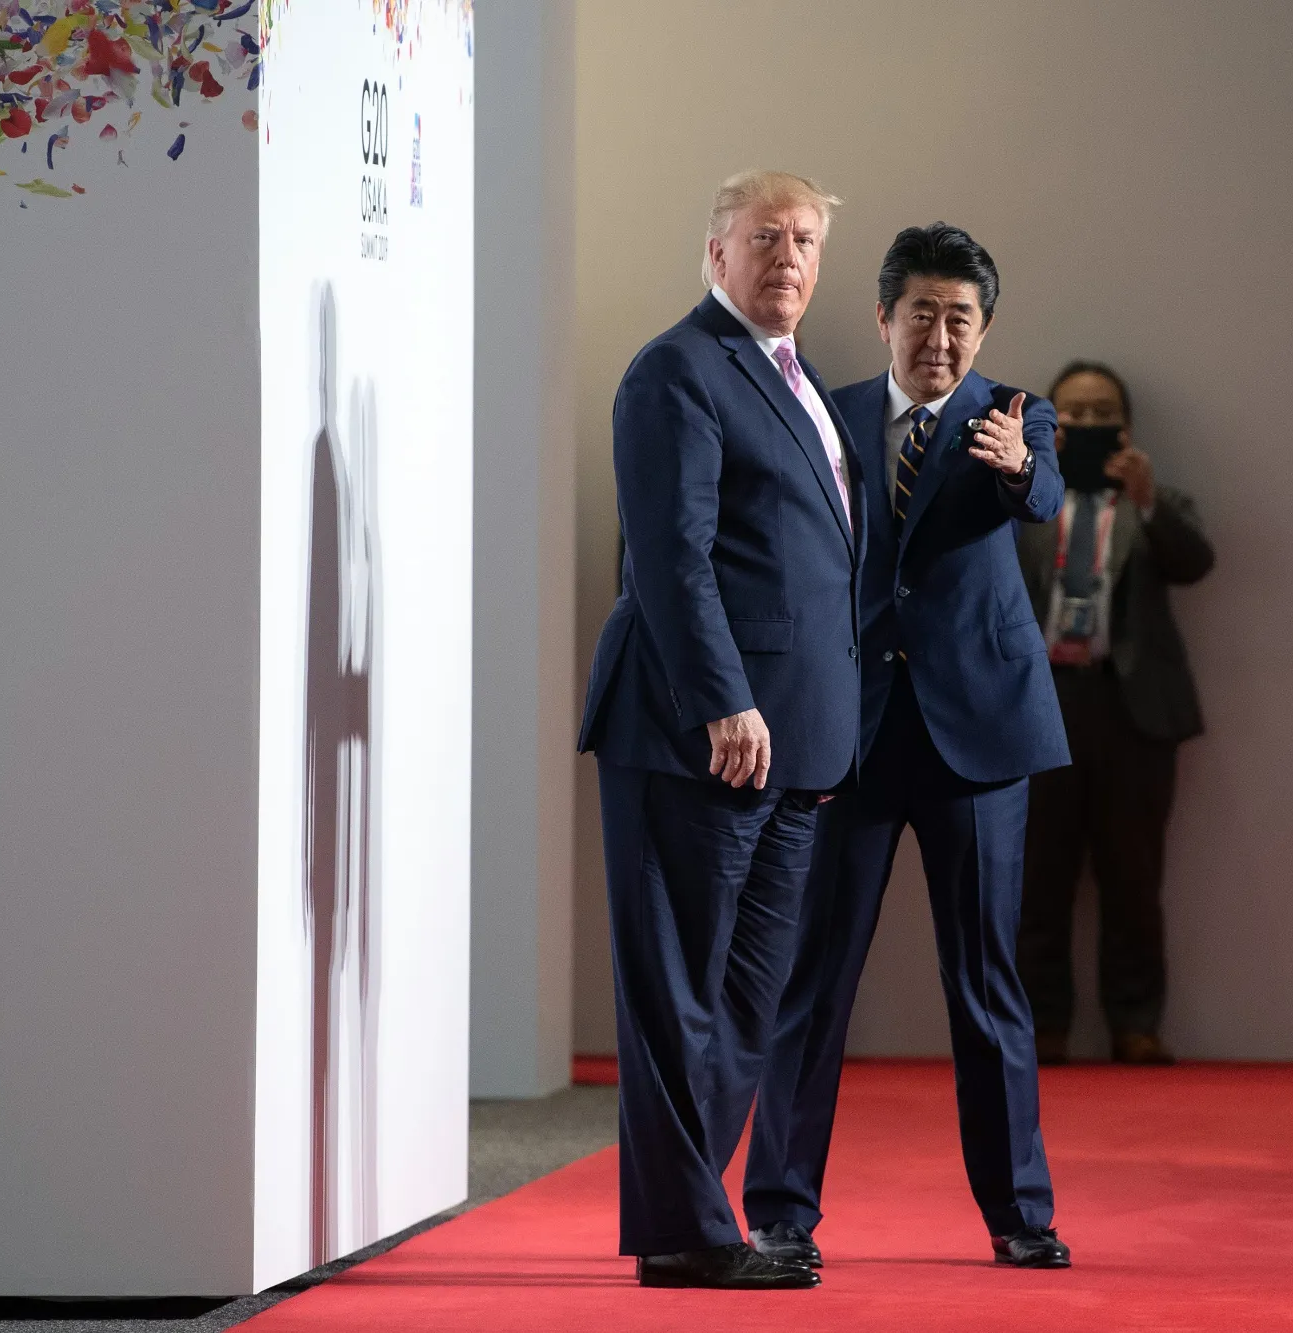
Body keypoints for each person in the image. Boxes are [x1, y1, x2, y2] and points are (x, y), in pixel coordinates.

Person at [745, 223, 1074, 1272]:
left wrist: (1023, 468)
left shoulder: (1015, 416)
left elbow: (1042, 496)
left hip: (976, 736)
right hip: (846, 736)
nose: (939, 336)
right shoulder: (823, 415)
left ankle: (1020, 1215)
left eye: (960, 319)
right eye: (921, 314)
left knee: (985, 984)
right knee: (811, 982)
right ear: (883, 316)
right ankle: (778, 1215)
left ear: (982, 330)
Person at [576, 170, 862, 1291]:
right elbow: (668, 556)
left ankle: (695, 1217)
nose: (785, 258)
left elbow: (815, 569)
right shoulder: (676, 371)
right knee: (676, 991)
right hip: (694, 732)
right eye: (762, 238)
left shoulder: (801, 385)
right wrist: (721, 699)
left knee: (747, 999)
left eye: (802, 241)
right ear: (714, 254)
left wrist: (825, 723)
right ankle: (685, 1231)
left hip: (797, 745)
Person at [1015, 361, 1214, 1066]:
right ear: (1051, 423)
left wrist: (1148, 499)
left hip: (1133, 712)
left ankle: (1136, 1023)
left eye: (1104, 414)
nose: (1090, 425)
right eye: (1074, 414)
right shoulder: (1024, 504)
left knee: (1134, 877)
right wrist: (1032, 472)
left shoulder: (1154, 502)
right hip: (1041, 707)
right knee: (1037, 875)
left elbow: (1196, 562)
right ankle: (1041, 1028)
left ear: (1126, 426)